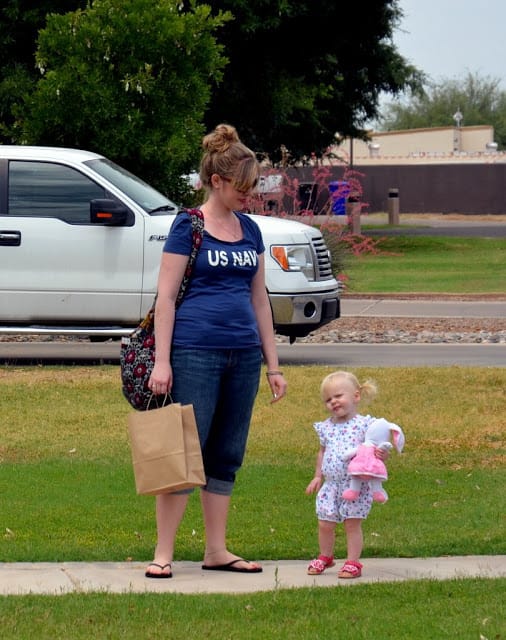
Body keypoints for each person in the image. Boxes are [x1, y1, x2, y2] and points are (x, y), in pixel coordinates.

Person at [144, 123, 287, 578]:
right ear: (217, 181)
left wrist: (273, 365)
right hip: (194, 352)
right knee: (184, 453)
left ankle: (216, 551)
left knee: (226, 453)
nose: (250, 195)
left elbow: (259, 298)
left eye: (253, 187)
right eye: (242, 187)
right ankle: (163, 555)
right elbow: (165, 298)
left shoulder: (250, 229)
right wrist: (162, 362)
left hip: (242, 355)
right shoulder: (188, 225)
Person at [305, 370, 397, 579]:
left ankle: (353, 562)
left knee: (351, 523)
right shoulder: (326, 427)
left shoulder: (366, 425)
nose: (333, 402)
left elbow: (376, 450)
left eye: (338, 396)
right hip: (331, 485)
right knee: (324, 522)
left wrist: (382, 455)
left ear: (356, 396)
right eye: (328, 400)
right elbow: (322, 451)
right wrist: (318, 475)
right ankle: (325, 556)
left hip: (355, 485)